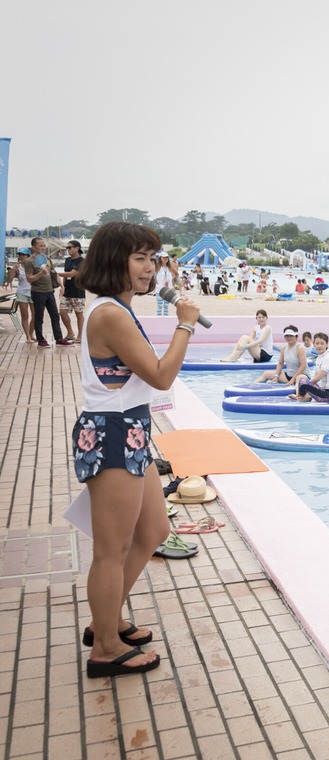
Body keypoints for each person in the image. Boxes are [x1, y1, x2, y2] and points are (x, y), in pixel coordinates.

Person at [72, 221, 200, 678]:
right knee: (112, 548)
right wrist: (184, 324)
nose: (151, 268)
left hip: (130, 432)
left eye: (153, 258)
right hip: (110, 434)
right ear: (115, 261)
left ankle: (106, 621)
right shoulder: (109, 313)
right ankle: (104, 646)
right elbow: (161, 376)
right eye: (140, 258)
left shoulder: (120, 309)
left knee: (152, 531)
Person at [24, 237, 70, 347]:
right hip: (38, 292)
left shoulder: (46, 259)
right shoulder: (29, 261)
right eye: (40, 245)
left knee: (55, 315)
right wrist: (40, 273)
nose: (43, 248)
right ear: (33, 247)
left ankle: (59, 338)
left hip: (50, 291)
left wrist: (62, 285)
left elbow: (54, 273)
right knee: (39, 316)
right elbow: (29, 278)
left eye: (44, 245)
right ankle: (41, 339)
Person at [290, 333, 329, 402]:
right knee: (302, 378)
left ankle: (300, 397)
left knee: (303, 381)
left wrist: (306, 384)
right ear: (314, 344)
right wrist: (309, 385)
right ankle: (302, 396)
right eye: (317, 343)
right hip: (322, 391)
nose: (319, 346)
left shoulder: (328, 357)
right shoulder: (319, 358)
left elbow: (318, 377)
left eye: (322, 343)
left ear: (327, 344)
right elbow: (315, 377)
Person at [57, 240, 86, 340]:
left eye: (70, 247)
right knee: (62, 311)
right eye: (67, 248)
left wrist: (56, 274)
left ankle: (81, 335)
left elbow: (72, 274)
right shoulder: (68, 260)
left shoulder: (83, 261)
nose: (68, 249)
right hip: (67, 290)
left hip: (78, 290)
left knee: (79, 313)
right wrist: (63, 287)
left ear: (77, 248)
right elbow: (66, 274)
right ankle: (70, 333)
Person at [9, 248, 35, 342]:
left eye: (23, 255)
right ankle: (27, 336)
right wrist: (13, 269)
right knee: (25, 315)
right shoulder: (18, 267)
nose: (21, 257)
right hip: (22, 293)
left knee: (35, 315)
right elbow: (10, 280)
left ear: (28, 256)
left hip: (33, 292)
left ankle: (31, 334)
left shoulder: (33, 265)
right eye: (20, 255)